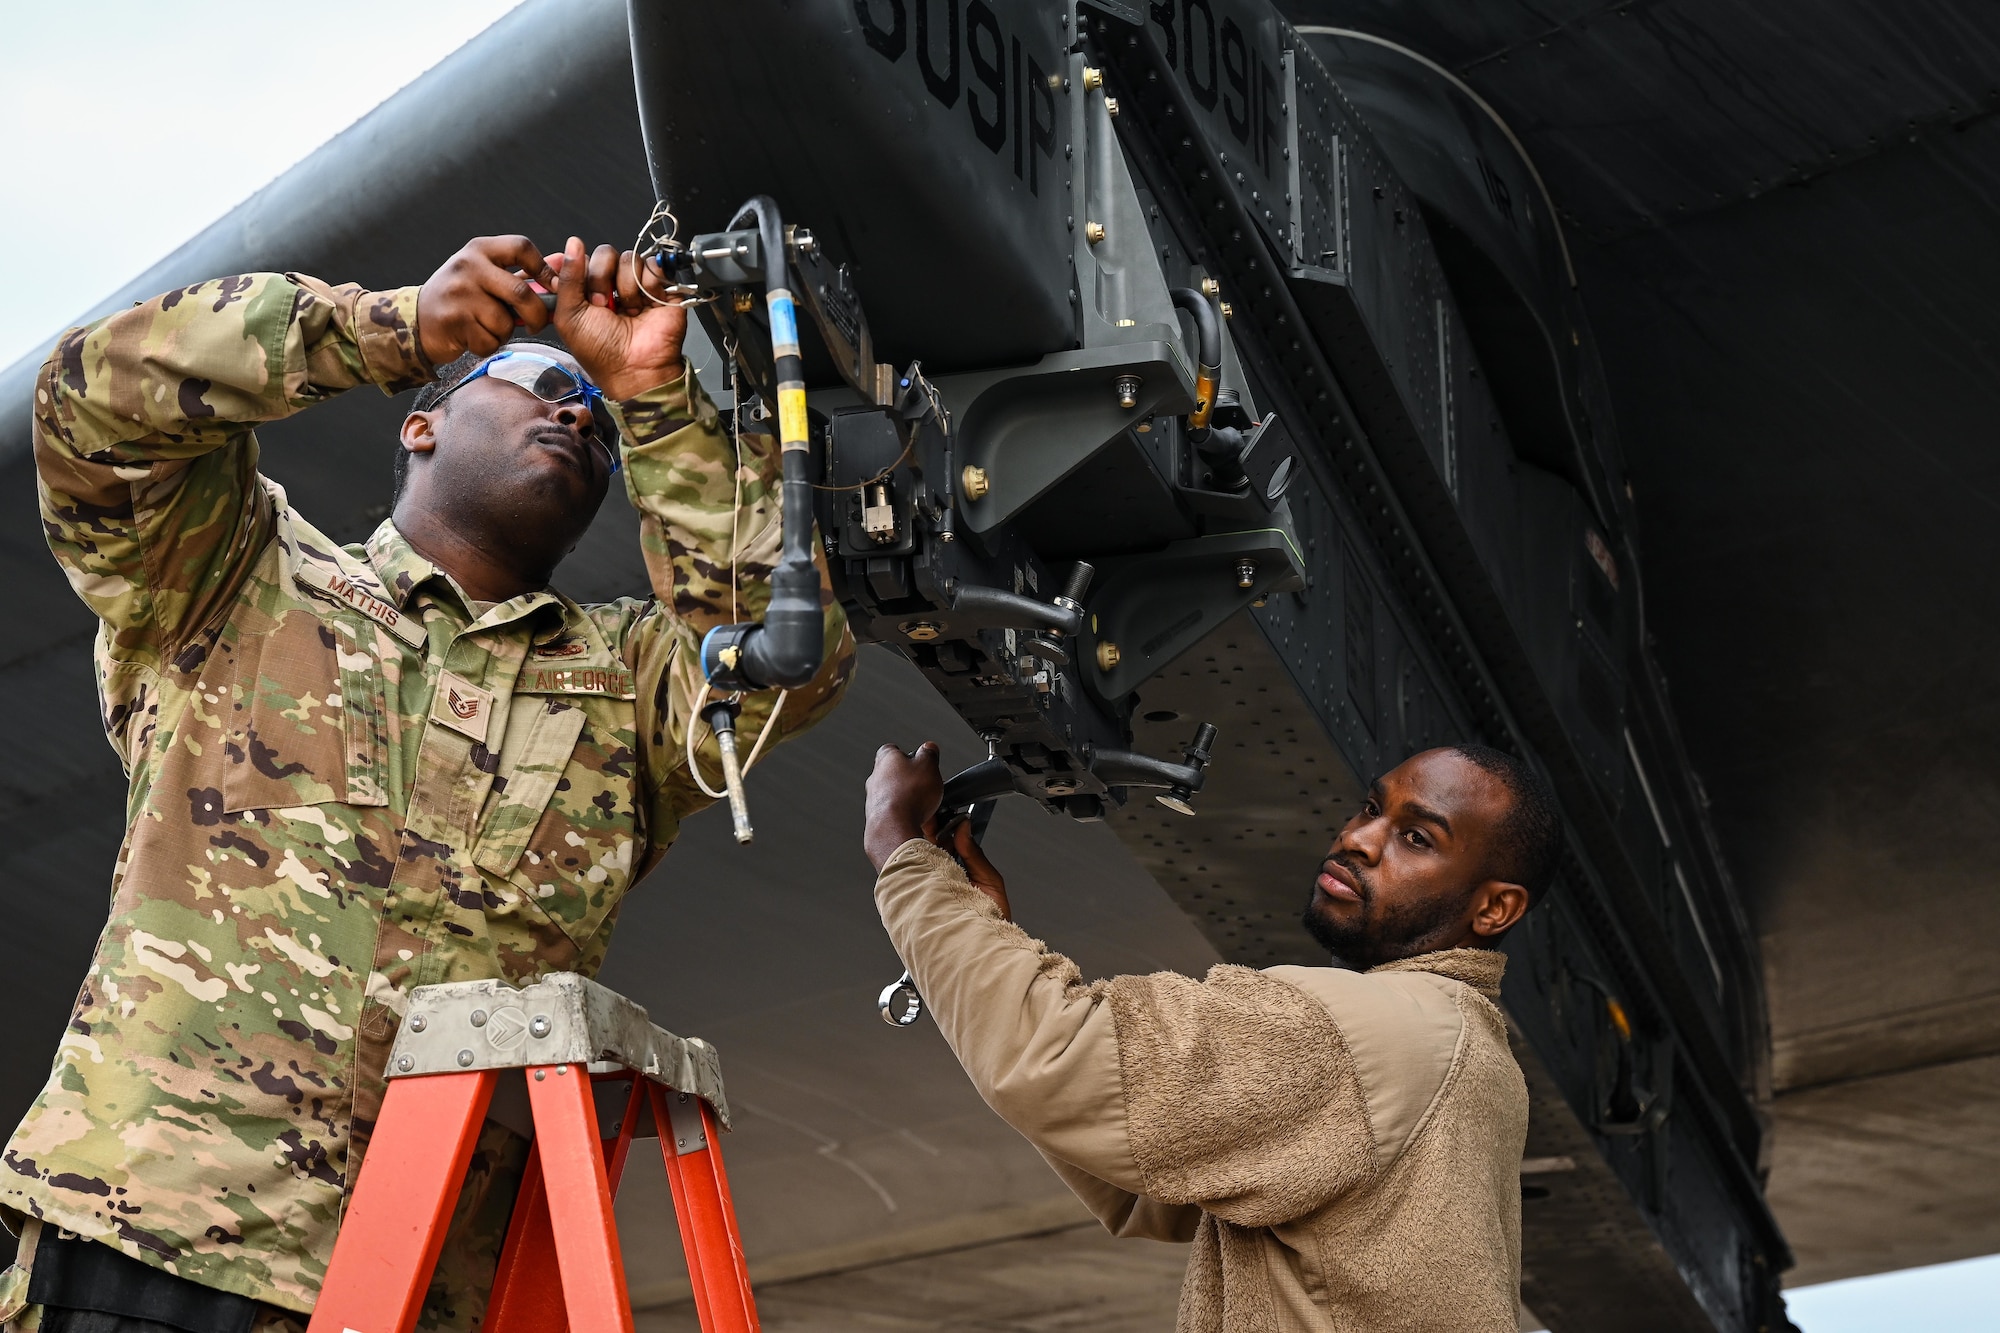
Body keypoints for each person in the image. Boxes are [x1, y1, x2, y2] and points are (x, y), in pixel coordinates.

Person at [0, 235, 854, 1331]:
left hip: (420, 1287)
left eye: (597, 421)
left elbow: (797, 651)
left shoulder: (627, 687)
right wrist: (389, 327)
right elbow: (91, 401)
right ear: (423, 423)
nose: (576, 414)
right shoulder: (235, 575)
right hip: (157, 1237)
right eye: (546, 384)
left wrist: (655, 400)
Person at [862, 742, 1563, 1333]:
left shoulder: (1363, 1030)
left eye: (1417, 837)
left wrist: (906, 858)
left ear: (1495, 907)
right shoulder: (1466, 1050)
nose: (1358, 838)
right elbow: (1147, 1162)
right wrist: (984, 938)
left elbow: (1060, 1058)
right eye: (1372, 808)